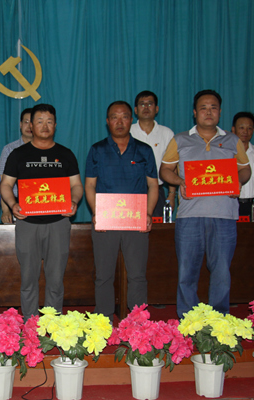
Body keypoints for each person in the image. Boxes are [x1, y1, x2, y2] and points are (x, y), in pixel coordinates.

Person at [160, 90, 251, 317]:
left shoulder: (232, 140)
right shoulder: (180, 140)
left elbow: (245, 169)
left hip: (224, 215)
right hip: (190, 215)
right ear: (194, 112)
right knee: (187, 272)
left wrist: (238, 182)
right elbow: (165, 170)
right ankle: (188, 319)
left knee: (221, 272)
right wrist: (180, 181)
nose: (208, 112)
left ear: (220, 112)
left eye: (213, 107)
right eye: (203, 108)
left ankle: (219, 319)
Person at [0, 103, 83, 320]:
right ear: (31, 126)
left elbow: (76, 185)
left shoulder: (65, 154)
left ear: (55, 125)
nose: (45, 126)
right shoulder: (18, 154)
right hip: (27, 223)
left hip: (58, 223)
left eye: (49, 122)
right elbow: (5, 184)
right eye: (39, 121)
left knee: (55, 279)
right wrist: (13, 204)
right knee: (28, 278)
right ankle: (30, 323)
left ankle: (52, 324)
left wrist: (74, 201)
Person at [85, 101, 159, 319]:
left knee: (137, 275)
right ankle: (103, 321)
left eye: (124, 116)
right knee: (103, 275)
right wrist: (97, 213)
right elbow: (89, 185)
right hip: (106, 221)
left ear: (131, 120)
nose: (119, 122)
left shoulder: (144, 150)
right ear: (107, 121)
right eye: (114, 117)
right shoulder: (97, 150)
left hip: (135, 220)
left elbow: (153, 185)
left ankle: (138, 322)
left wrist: (148, 213)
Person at [130, 91, 176, 216]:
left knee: (157, 227)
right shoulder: (128, 132)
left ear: (156, 109)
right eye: (142, 104)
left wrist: (171, 195)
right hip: (131, 192)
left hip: (157, 191)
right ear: (135, 110)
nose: (146, 107)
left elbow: (173, 167)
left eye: (150, 104)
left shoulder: (167, 133)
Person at [0, 108, 33, 224]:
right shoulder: (9, 149)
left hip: (39, 201)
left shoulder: (45, 149)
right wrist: (6, 210)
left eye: (32, 122)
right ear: (20, 124)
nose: (29, 126)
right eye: (26, 122)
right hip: (15, 203)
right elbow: (2, 182)